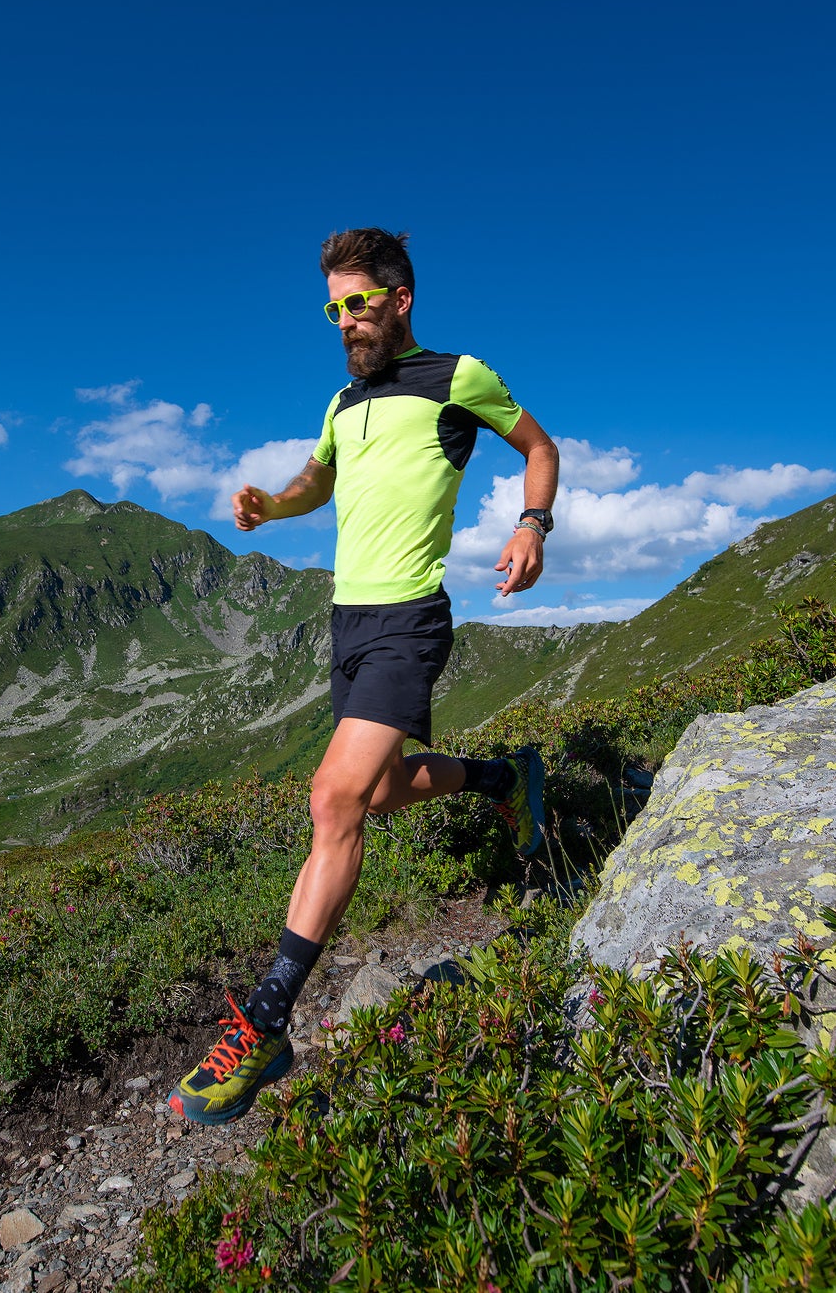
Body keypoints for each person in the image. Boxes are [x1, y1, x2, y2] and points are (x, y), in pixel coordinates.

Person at [170, 227, 561, 1126]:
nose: (344, 318)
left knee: (331, 799)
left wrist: (531, 522)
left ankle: (265, 1023)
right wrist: (273, 502)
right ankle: (509, 776)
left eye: (357, 301)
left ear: (400, 299)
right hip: (347, 620)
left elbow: (538, 446)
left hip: (410, 617)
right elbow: (319, 477)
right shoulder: (342, 401)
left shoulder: (459, 377)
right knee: (376, 793)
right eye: (332, 306)